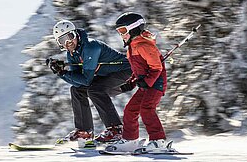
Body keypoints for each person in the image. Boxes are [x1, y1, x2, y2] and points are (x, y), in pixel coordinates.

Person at [47, 20, 132, 144]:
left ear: (75, 34)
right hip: (108, 77)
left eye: (69, 37)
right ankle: (84, 132)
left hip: (127, 73)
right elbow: (77, 82)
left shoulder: (91, 46)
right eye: (62, 40)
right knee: (76, 90)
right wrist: (60, 72)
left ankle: (116, 130)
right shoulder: (72, 54)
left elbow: (86, 80)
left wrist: (63, 73)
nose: (67, 42)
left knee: (95, 89)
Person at [105, 12, 167, 152]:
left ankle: (159, 141)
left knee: (147, 109)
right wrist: (131, 81)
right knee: (130, 110)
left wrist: (147, 81)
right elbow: (138, 69)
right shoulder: (132, 47)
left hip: (156, 83)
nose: (121, 35)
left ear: (133, 29)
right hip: (146, 84)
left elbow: (156, 67)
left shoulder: (144, 46)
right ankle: (130, 140)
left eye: (123, 31)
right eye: (119, 32)